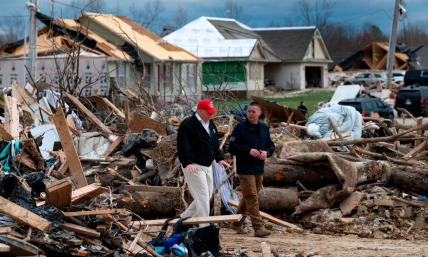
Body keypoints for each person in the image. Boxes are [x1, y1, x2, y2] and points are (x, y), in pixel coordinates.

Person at [177, 99, 231, 226]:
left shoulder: (210, 124)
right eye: (208, 112)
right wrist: (187, 162)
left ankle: (183, 219)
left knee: (207, 196)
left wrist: (220, 158)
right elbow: (183, 145)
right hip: (193, 165)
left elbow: (214, 143)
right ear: (200, 111)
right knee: (202, 198)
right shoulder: (188, 125)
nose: (211, 115)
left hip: (207, 164)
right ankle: (204, 228)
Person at [228, 102, 275, 237]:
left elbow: (271, 145)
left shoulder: (264, 128)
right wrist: (248, 150)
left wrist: (267, 152)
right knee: (252, 197)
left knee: (248, 197)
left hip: (258, 168)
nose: (250, 114)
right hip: (245, 168)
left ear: (259, 113)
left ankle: (236, 223)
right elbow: (232, 147)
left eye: (253, 111)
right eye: (249, 111)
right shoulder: (240, 128)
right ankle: (258, 227)